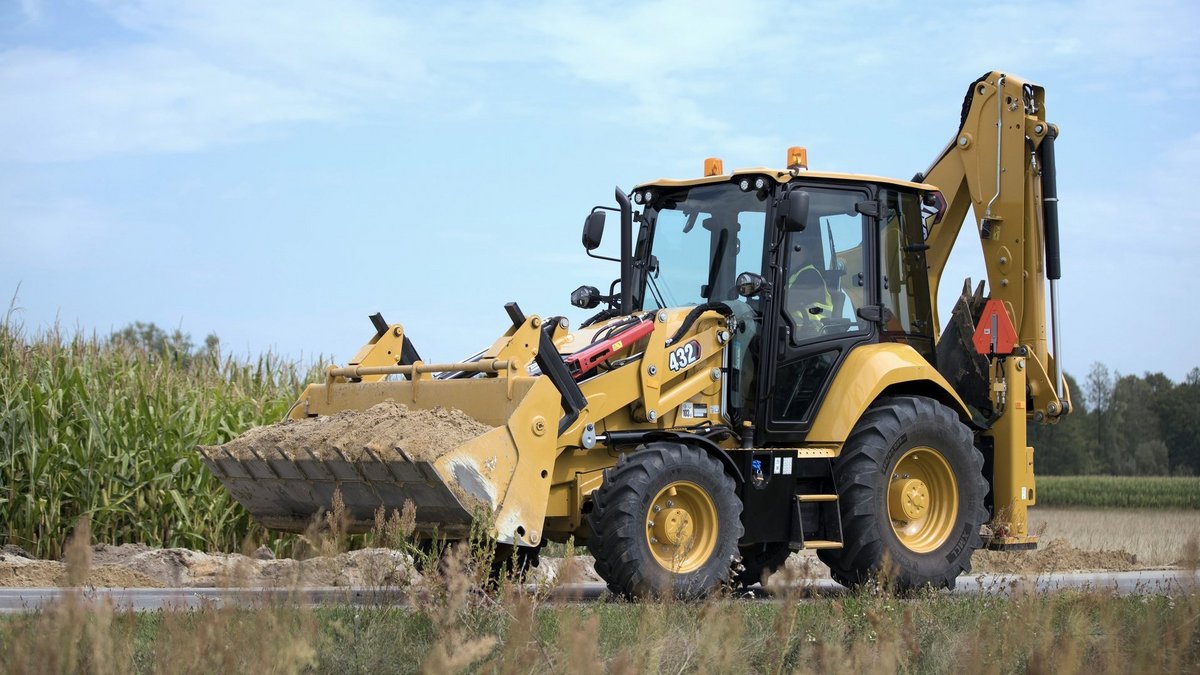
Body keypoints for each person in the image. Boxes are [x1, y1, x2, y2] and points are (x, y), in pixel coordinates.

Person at [785, 235, 832, 339]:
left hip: (811, 331)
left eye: (794, 249)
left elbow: (788, 301)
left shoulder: (810, 274)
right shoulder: (794, 275)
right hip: (797, 327)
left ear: (804, 252)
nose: (789, 254)